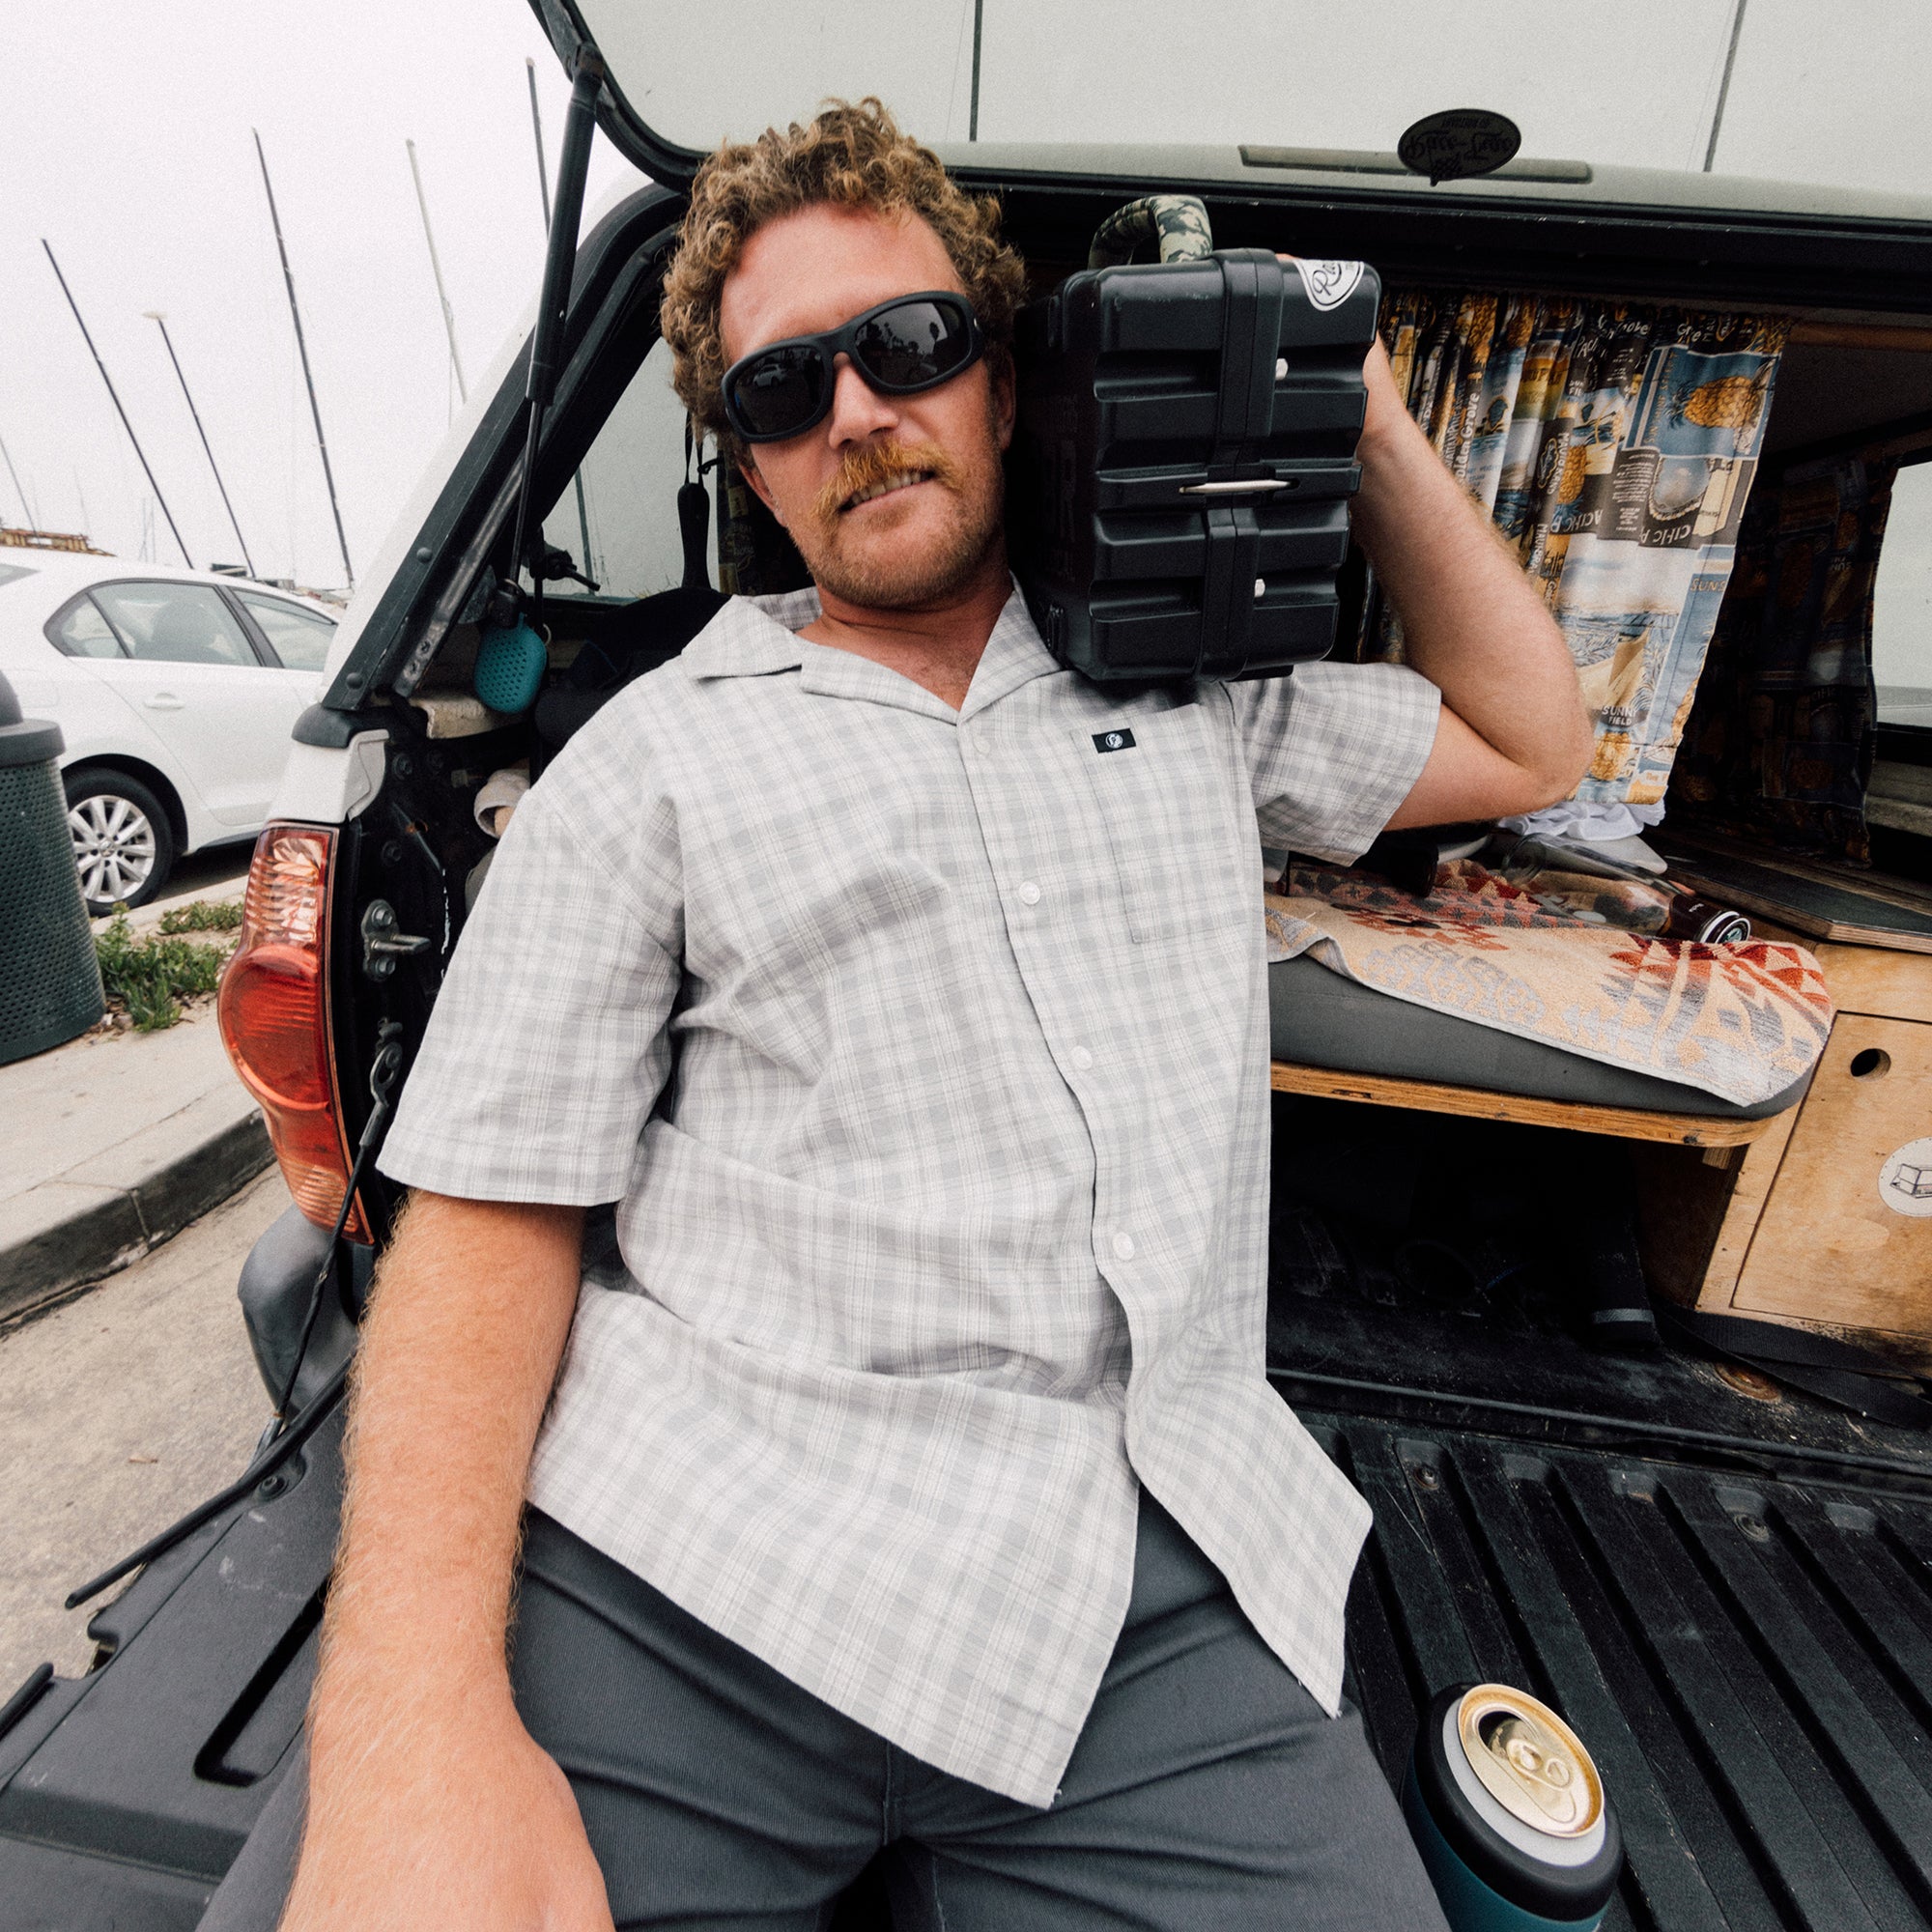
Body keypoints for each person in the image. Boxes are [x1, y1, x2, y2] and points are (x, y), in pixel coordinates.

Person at [237, 99, 1589, 1932]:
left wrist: (1353, 410)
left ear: (1007, 384)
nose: (860, 409)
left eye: (914, 343)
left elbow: (1534, 738)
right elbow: (486, 1225)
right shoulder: (652, 763)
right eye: (786, 392)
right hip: (692, 1563)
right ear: (757, 467)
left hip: (1149, 1570)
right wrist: (416, 1734)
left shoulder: (1198, 704)